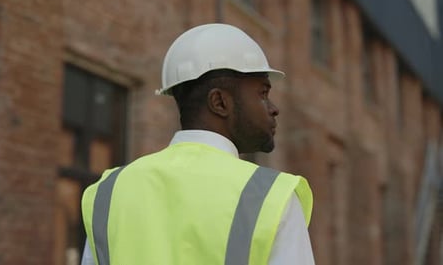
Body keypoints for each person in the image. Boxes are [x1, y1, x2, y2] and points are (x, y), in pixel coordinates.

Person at [80, 23, 314, 265]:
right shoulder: (271, 198)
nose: (274, 108)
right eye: (262, 93)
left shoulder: (109, 194)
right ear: (219, 102)